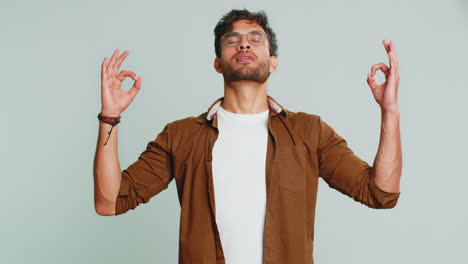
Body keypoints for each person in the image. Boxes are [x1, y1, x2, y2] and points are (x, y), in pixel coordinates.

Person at [93, 8, 402, 264]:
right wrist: (110, 116)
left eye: (256, 39)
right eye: (233, 40)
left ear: (273, 62)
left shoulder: (309, 133)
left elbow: (380, 193)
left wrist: (389, 111)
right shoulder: (181, 136)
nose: (244, 45)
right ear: (217, 63)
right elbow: (110, 201)